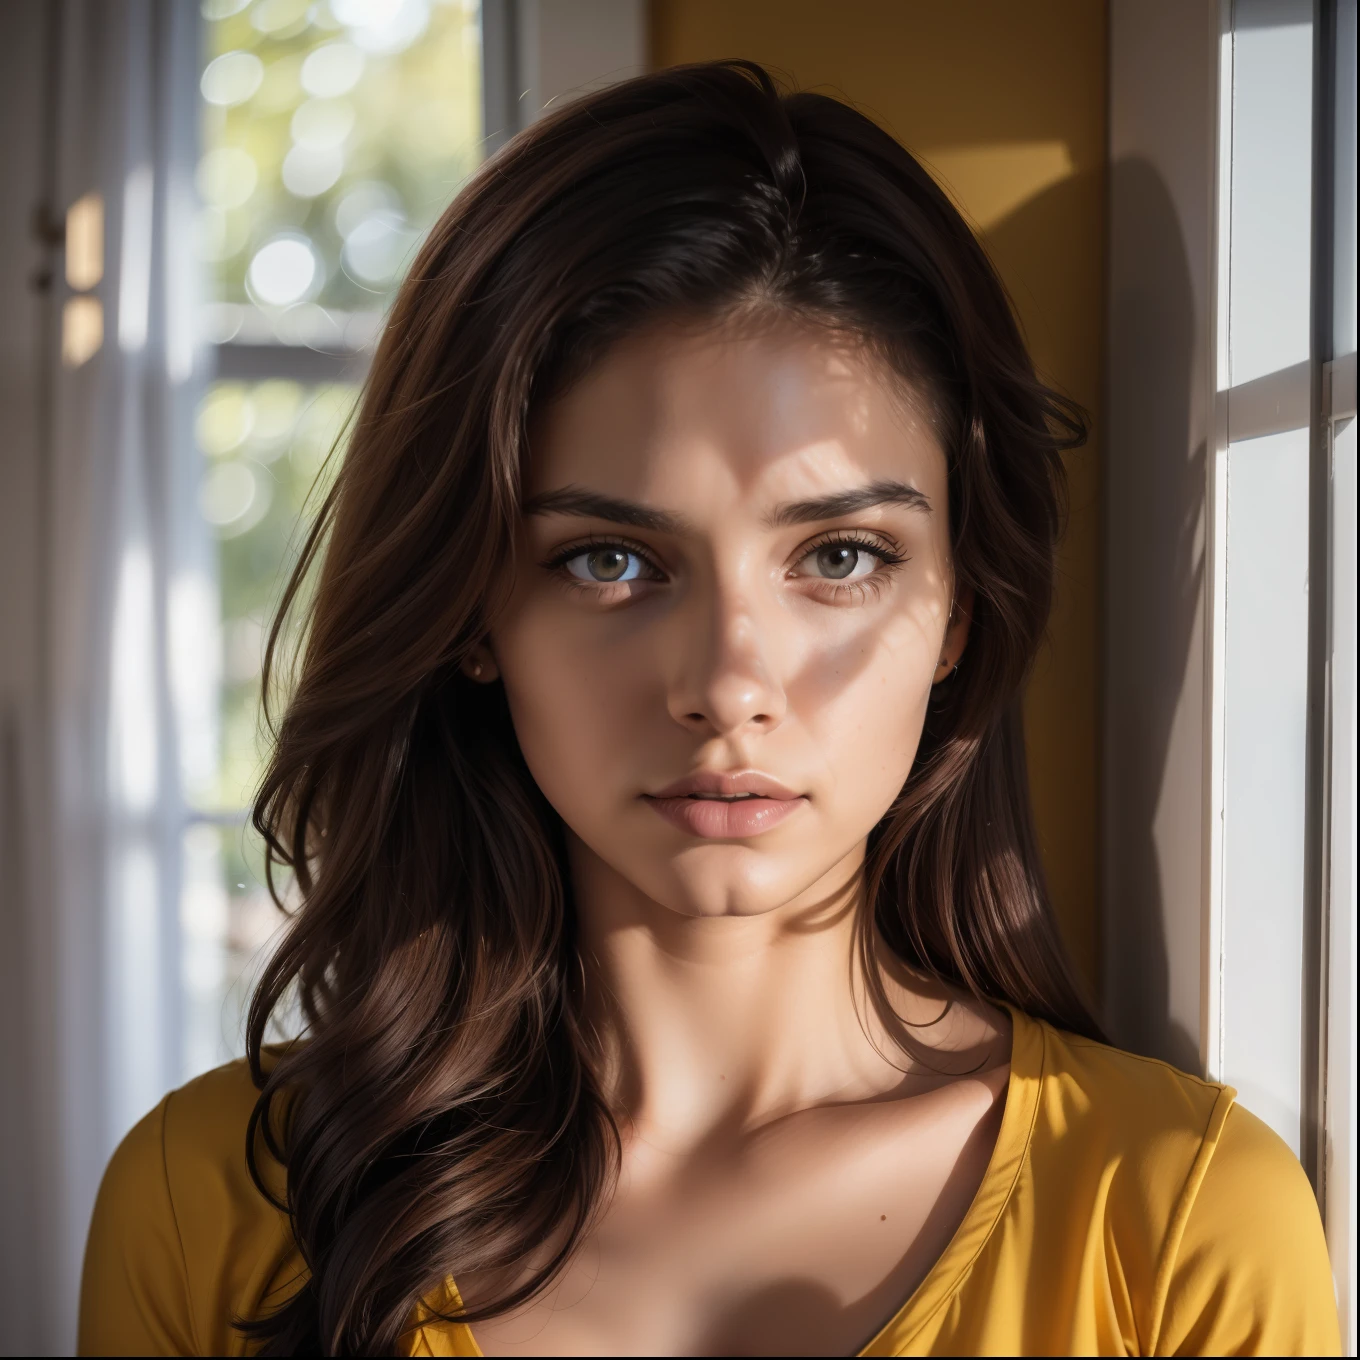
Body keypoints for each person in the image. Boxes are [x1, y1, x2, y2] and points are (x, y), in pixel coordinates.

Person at [78, 62, 1340, 1357]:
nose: (731, 685)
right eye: (610, 561)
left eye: (841, 556)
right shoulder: (206, 1207)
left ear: (960, 605)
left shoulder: (1181, 1222)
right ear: (470, 613)